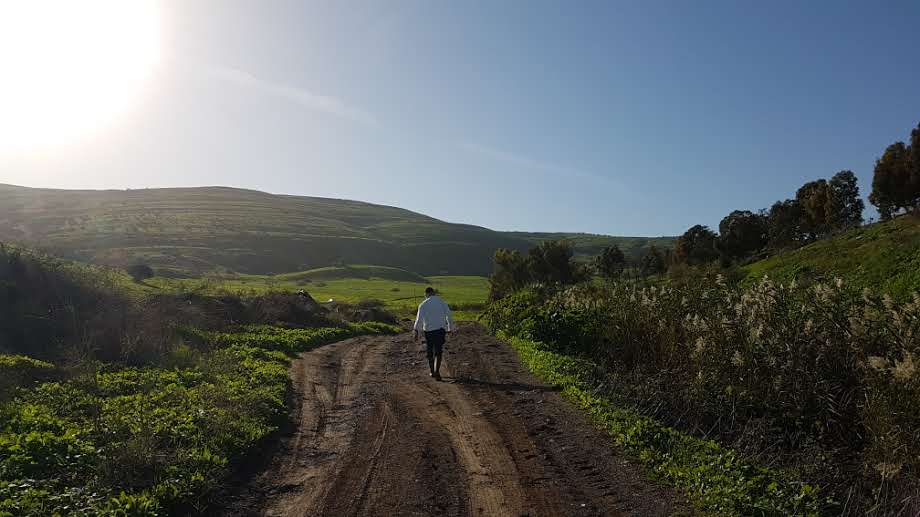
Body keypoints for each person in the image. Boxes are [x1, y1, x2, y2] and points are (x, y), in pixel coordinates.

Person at [413, 286, 454, 381]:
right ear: (434, 293)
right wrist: (450, 328)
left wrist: (416, 332)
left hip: (429, 331)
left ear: (426, 294)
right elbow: (449, 316)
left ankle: (432, 371)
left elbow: (419, 320)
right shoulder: (442, 302)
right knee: (439, 351)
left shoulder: (423, 304)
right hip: (440, 330)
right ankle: (437, 371)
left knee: (430, 350)